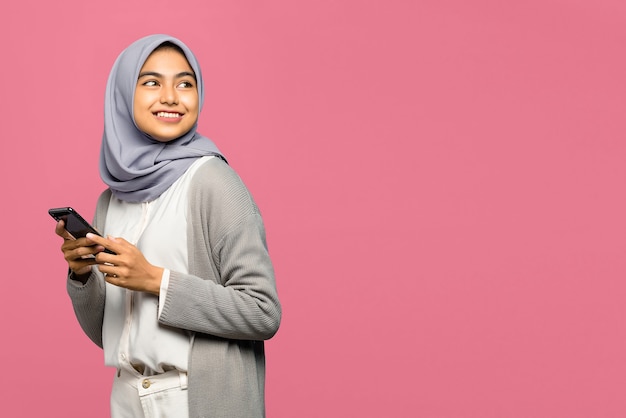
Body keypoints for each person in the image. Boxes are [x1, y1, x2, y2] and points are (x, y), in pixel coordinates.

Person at [54, 34, 281, 418]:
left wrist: (156, 280)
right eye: (152, 82)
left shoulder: (213, 181)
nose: (172, 97)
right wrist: (81, 275)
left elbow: (262, 311)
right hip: (127, 394)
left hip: (197, 399)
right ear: (124, 95)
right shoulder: (111, 199)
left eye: (185, 83)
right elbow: (107, 334)